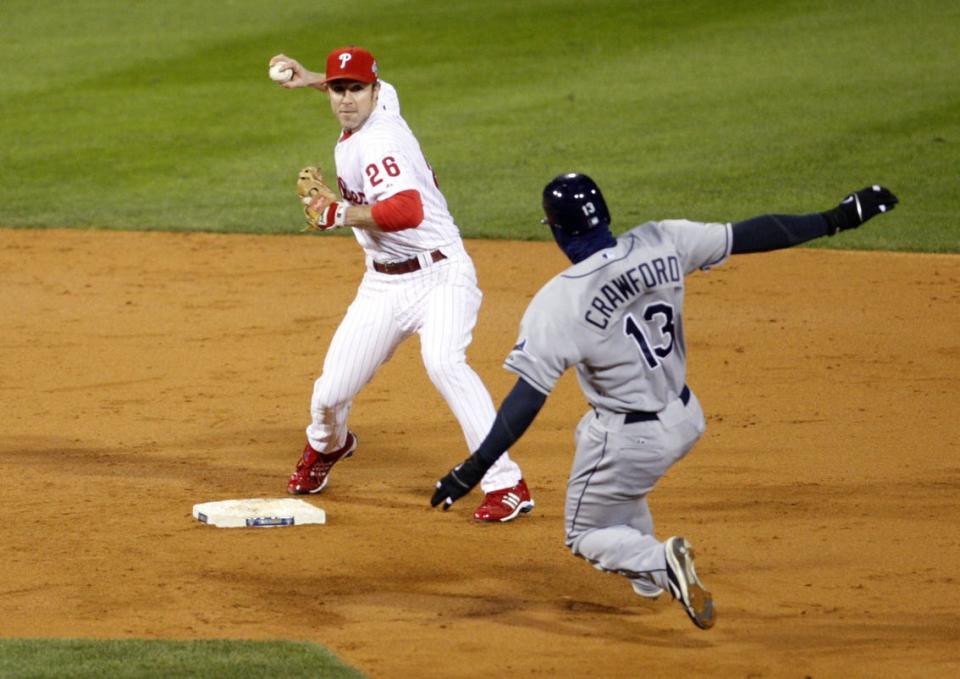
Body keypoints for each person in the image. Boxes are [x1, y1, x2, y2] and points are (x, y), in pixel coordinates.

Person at [431, 173, 898, 628]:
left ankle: (657, 562)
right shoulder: (664, 240)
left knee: (584, 533)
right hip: (684, 416)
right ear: (606, 215)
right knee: (603, 460)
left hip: (629, 439)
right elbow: (753, 233)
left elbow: (526, 400)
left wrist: (473, 468)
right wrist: (839, 217)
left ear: (555, 229)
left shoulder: (559, 303)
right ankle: (648, 578)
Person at [269, 46, 534, 522]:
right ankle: (329, 446)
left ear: (373, 90)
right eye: (338, 88)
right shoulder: (383, 102)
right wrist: (312, 77)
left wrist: (340, 214)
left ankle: (507, 482)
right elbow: (354, 89)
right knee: (330, 394)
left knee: (444, 362)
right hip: (383, 286)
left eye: (356, 89)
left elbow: (406, 211)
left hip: (441, 274)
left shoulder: (381, 142)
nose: (346, 99)